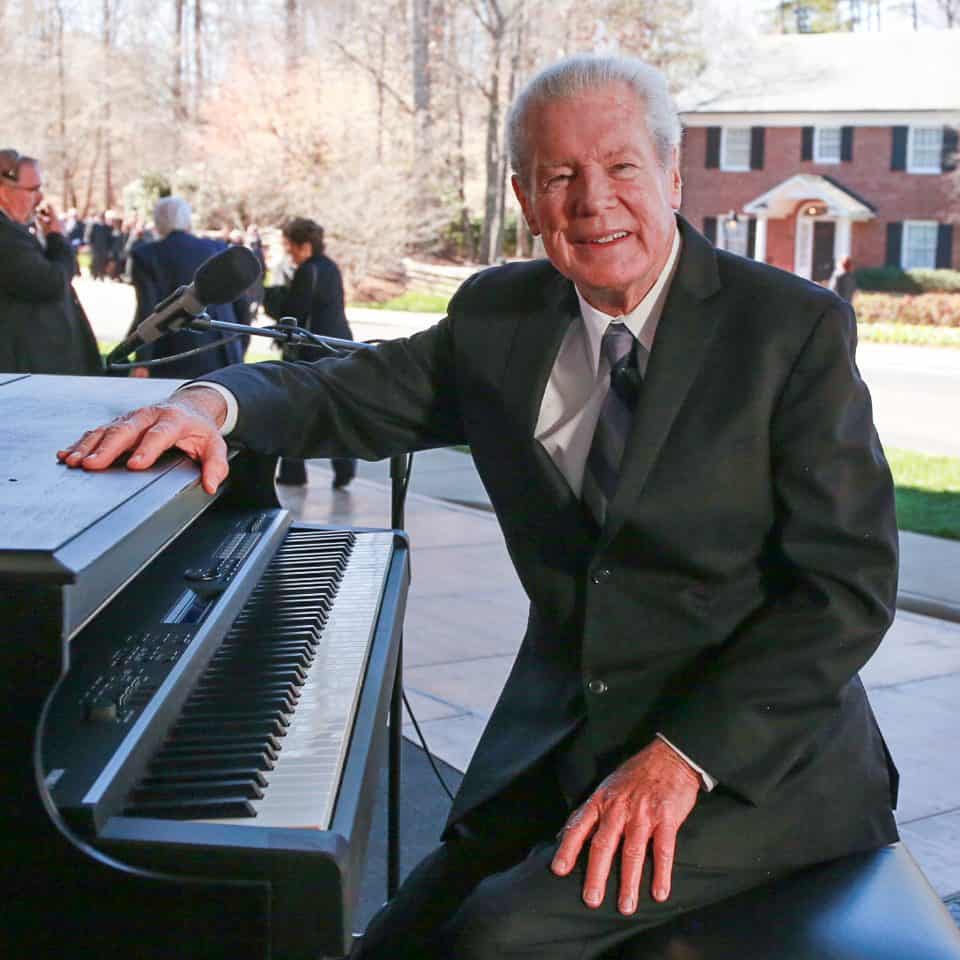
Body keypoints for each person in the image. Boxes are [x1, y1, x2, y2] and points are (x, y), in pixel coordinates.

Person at [58, 55, 899, 960]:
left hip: (742, 761)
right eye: (558, 176)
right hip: (568, 735)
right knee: (396, 938)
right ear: (525, 197)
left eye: (620, 167)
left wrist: (678, 760)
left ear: (671, 174)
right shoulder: (501, 316)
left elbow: (845, 588)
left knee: (492, 941)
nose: (592, 201)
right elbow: (347, 390)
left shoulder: (788, 327)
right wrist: (209, 403)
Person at [0, 148, 102, 375]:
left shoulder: (15, 229)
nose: (40, 198)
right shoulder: (5, 235)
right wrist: (57, 237)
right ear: (3, 191)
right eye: (33, 189)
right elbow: (52, 282)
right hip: (25, 368)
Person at [127, 196, 251, 379]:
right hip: (222, 349)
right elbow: (241, 302)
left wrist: (143, 360)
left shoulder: (147, 255)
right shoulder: (217, 248)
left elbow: (147, 308)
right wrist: (238, 344)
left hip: (172, 353)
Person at [273, 217, 356, 489]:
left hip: (311, 352)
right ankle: (344, 467)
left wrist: (271, 298)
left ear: (305, 245)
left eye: (291, 246)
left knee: (295, 412)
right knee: (334, 410)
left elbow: (292, 312)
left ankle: (293, 472)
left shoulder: (308, 270)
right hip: (339, 345)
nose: (289, 252)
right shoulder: (330, 267)